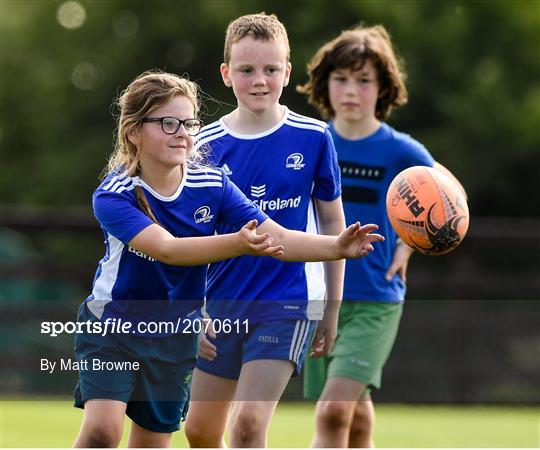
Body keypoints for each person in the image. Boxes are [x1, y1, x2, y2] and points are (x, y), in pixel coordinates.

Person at [73, 70, 383, 448]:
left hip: (173, 337)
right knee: (102, 432)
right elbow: (169, 249)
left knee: (152, 442)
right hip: (113, 330)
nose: (183, 133)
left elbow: (278, 236)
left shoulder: (213, 185)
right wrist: (238, 243)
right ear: (134, 131)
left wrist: (335, 247)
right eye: (168, 123)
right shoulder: (114, 194)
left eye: (189, 123)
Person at [184, 13, 366, 448]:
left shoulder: (314, 136)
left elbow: (333, 223)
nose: (260, 80)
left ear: (287, 71)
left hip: (288, 302)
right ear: (227, 74)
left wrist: (334, 305)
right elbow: (189, 235)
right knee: (199, 431)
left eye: (271, 69)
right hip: (221, 302)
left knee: (247, 426)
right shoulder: (202, 146)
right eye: (247, 69)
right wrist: (194, 306)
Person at [297, 25, 465, 447]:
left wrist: (410, 242)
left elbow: (452, 203)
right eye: (340, 78)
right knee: (354, 421)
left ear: (383, 87)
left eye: (363, 80)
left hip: (376, 299)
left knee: (334, 410)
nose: (350, 90)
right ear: (324, 83)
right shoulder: (314, 143)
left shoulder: (402, 151)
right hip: (321, 296)